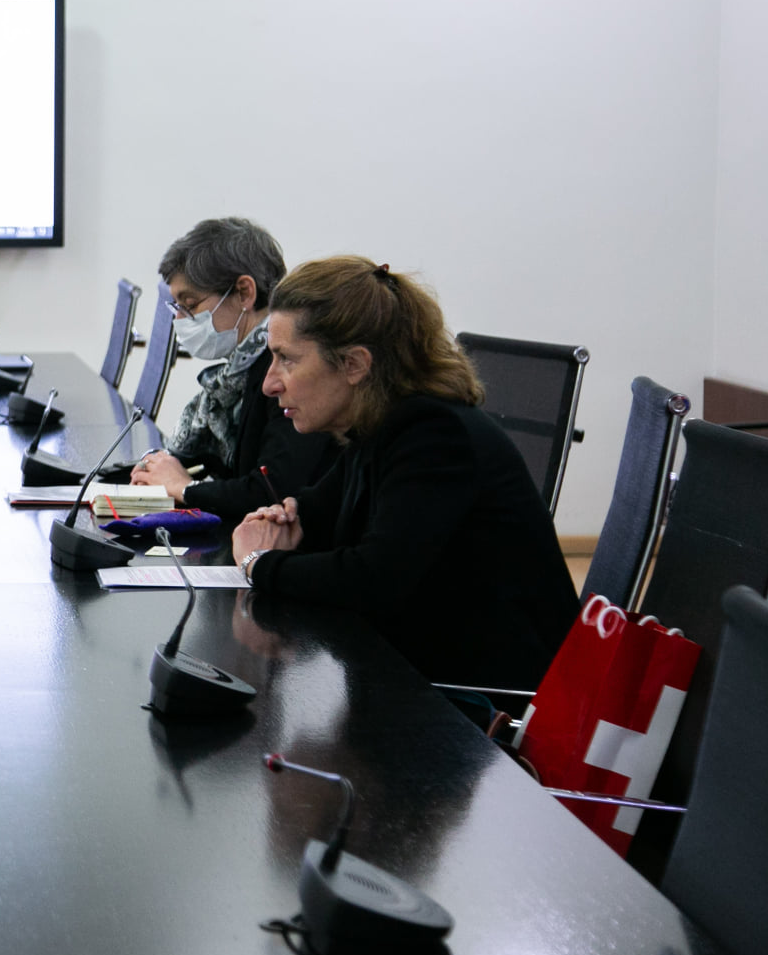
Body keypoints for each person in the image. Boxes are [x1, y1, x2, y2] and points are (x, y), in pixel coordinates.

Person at [231, 256, 578, 690]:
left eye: (286, 359)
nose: (270, 383)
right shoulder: (380, 425)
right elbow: (311, 514)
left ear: (354, 365)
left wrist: (258, 563)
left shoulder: (434, 436)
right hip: (422, 673)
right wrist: (280, 523)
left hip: (492, 704)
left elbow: (372, 578)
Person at [128, 218, 336, 521]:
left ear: (244, 293)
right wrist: (155, 468)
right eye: (177, 308)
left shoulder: (286, 374)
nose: (179, 321)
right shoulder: (237, 374)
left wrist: (184, 488)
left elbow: (273, 492)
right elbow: (209, 463)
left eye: (190, 304)